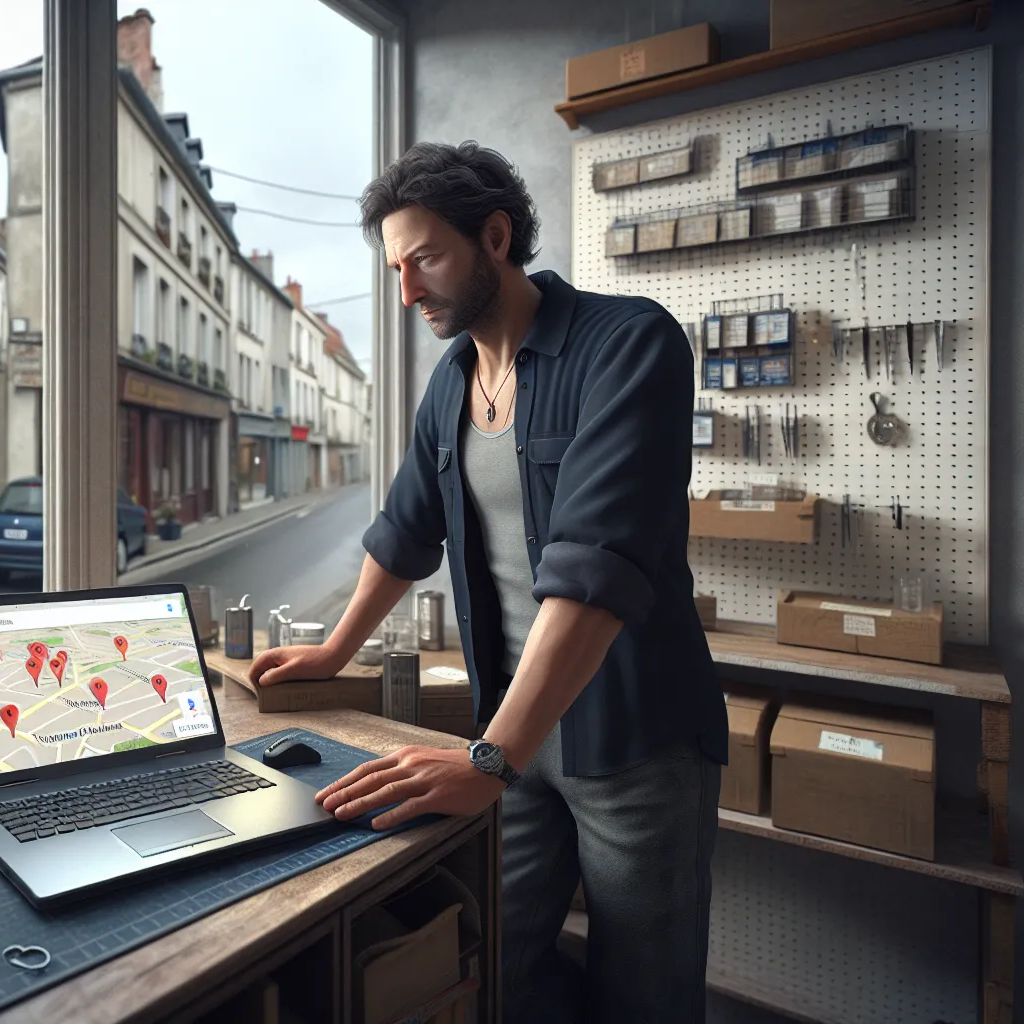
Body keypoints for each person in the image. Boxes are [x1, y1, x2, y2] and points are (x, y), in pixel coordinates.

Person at [248, 141, 726, 1024]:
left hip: (638, 743)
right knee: (490, 966)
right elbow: (403, 531)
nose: (407, 291)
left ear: (495, 237)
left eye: (424, 258)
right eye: (396, 267)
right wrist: (333, 649)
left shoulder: (628, 345)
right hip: (511, 731)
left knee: (644, 1000)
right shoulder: (452, 380)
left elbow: (593, 572)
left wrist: (488, 760)